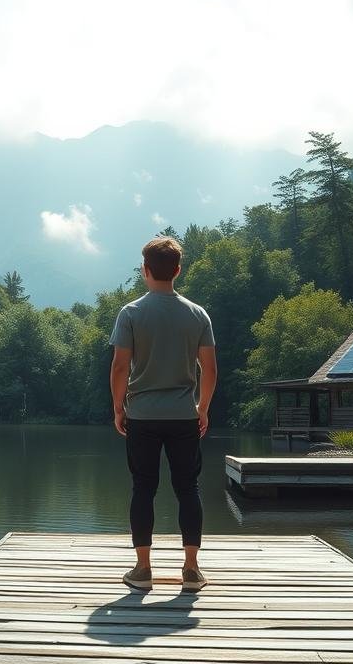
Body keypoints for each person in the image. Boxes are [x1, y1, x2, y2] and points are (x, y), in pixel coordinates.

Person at [109, 236, 216, 591]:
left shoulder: (131, 313)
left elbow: (120, 368)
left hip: (142, 415)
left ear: (145, 270)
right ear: (178, 270)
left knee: (143, 488)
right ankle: (191, 569)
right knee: (188, 488)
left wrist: (118, 408)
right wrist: (203, 407)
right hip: (184, 415)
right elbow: (210, 370)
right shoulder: (197, 314)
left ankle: (142, 571)